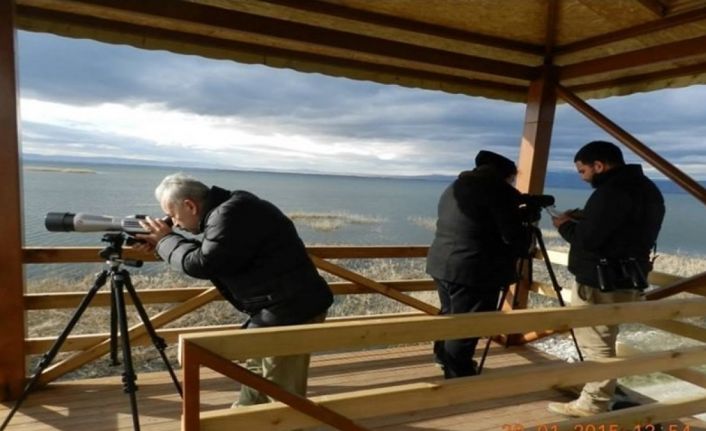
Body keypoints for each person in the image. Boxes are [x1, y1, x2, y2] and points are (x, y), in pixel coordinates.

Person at [134, 173, 333, 406]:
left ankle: (280, 421)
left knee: (283, 392)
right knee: (257, 374)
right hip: (279, 309)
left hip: (292, 311)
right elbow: (219, 252)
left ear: (190, 205)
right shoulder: (234, 207)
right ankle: (241, 418)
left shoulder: (229, 213)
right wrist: (163, 244)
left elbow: (202, 263)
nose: (174, 223)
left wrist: (164, 241)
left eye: (173, 216)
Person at [548, 141, 665, 417]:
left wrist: (564, 225)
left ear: (599, 166)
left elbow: (589, 240)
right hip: (629, 278)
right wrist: (585, 218)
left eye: (582, 171)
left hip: (598, 281)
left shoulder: (609, 192)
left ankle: (594, 403)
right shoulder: (648, 189)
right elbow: (624, 231)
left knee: (596, 344)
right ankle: (600, 389)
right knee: (606, 338)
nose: (583, 177)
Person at [426, 150, 530, 379]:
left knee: (450, 314)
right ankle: (458, 372)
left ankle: (443, 358)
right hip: (474, 270)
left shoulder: (456, 186)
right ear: (506, 175)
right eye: (512, 177)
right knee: (467, 325)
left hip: (441, 264)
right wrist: (525, 227)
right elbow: (514, 237)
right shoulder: (499, 192)